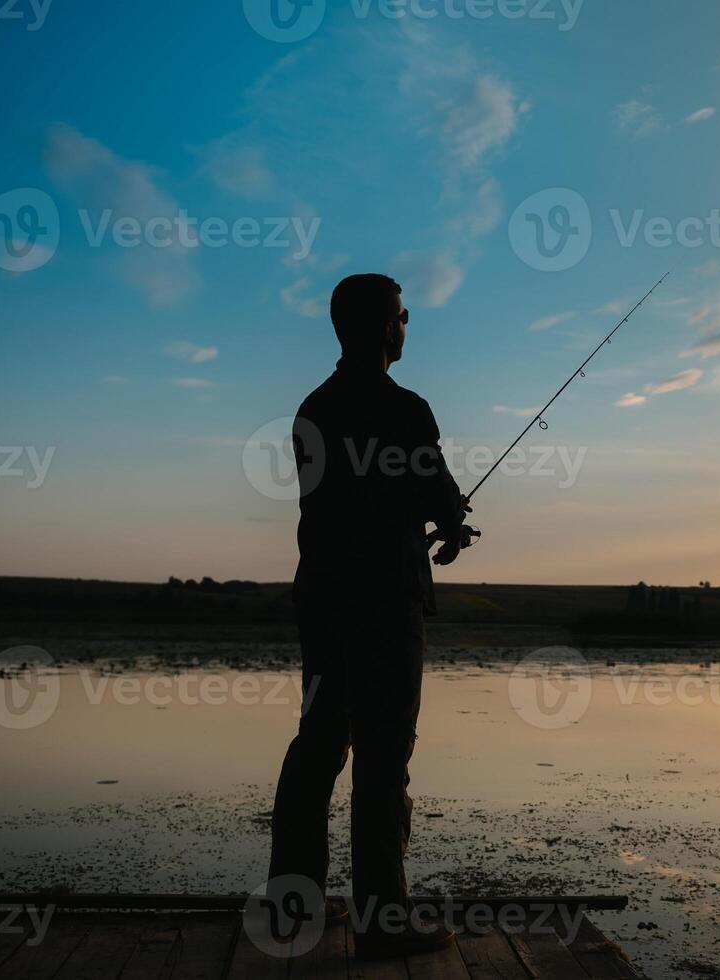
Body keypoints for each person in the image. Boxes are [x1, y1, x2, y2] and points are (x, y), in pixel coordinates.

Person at [267, 273, 472, 959]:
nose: (407, 324)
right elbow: (436, 493)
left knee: (319, 743)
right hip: (385, 603)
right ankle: (384, 923)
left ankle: (291, 909)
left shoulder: (312, 409)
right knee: (384, 757)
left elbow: (355, 497)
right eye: (403, 315)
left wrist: (431, 510)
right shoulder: (406, 409)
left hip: (322, 601)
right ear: (387, 327)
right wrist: (450, 522)